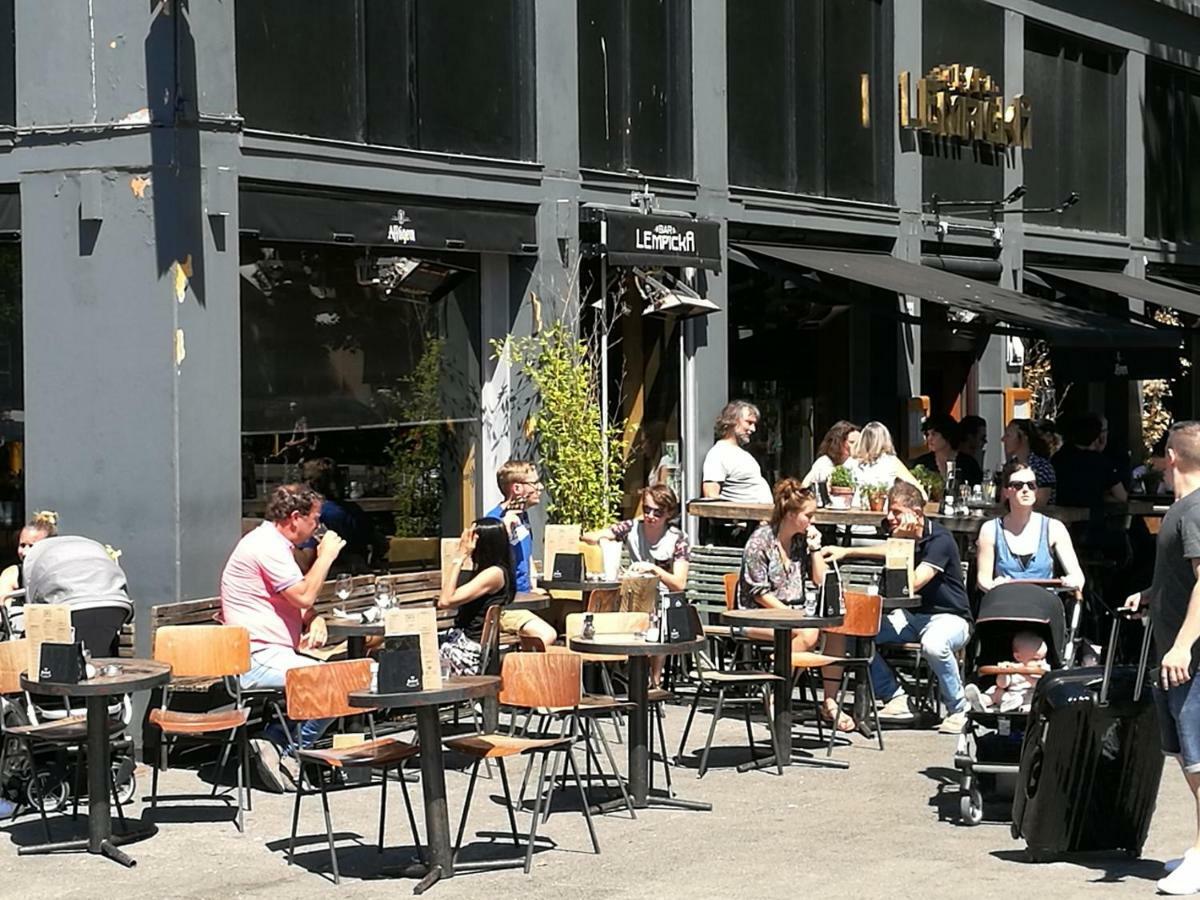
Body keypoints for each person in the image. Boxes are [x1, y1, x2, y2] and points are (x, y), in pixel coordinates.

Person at [220, 484, 346, 792]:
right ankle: (287, 751)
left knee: (347, 676)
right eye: (316, 518)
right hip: (253, 660)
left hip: (269, 654)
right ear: (294, 518)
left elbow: (290, 599)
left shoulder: (274, 545)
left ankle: (274, 742)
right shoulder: (267, 546)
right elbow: (302, 595)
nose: (319, 526)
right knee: (341, 683)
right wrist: (326, 557)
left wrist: (313, 617)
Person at [822, 480, 973, 734]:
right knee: (852, 634)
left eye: (896, 512)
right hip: (910, 617)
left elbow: (911, 584)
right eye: (889, 512)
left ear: (916, 513)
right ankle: (896, 696)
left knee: (934, 645)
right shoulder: (902, 538)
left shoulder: (940, 540)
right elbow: (885, 551)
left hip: (950, 618)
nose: (890, 518)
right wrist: (846, 552)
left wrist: (900, 539)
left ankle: (960, 710)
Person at [1122, 421, 1200, 894]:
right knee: (1189, 761)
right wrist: (1154, 592)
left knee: (1199, 764)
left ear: (1171, 456)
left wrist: (1183, 644)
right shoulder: (1182, 510)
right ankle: (1196, 849)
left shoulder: (1194, 511)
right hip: (1178, 651)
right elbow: (1187, 579)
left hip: (1191, 657)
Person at [737, 479, 854, 731]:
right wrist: (790, 615)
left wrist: (815, 548)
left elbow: (820, 580)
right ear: (790, 514)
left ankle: (830, 702)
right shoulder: (760, 542)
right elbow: (759, 594)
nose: (812, 521)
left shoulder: (801, 541)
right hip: (758, 615)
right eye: (808, 516)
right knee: (809, 633)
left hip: (796, 614)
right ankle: (779, 694)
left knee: (835, 629)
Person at [583, 485, 690, 687]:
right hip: (632, 595)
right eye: (646, 509)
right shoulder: (632, 528)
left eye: (657, 512)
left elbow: (679, 584)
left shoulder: (677, 539)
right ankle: (617, 675)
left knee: (655, 616)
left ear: (668, 513)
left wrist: (653, 569)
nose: (650, 516)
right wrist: (605, 543)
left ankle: (653, 681)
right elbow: (590, 536)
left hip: (663, 600)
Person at [975, 460, 1085, 593]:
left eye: (1031, 485)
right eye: (1018, 485)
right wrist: (994, 586)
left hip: (1043, 606)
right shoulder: (990, 529)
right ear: (1006, 492)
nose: (1025, 490)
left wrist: (1071, 581)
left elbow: (1077, 576)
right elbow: (983, 579)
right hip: (1006, 603)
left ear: (1036, 490)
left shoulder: (1055, 528)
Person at [484, 460, 557, 647]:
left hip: (524, 600)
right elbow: (490, 566)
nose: (540, 487)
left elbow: (527, 555)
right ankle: (518, 672)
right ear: (517, 488)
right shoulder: (494, 521)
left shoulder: (523, 517)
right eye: (534, 483)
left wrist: (532, 587)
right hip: (504, 606)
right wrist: (505, 530)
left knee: (570, 616)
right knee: (546, 635)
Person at [438, 518, 516, 676]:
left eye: (471, 537)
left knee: (414, 654)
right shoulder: (487, 571)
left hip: (468, 651)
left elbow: (445, 601)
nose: (466, 542)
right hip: (462, 643)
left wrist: (460, 557)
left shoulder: (494, 574)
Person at [296, 457, 386, 574]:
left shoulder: (314, 516)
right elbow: (382, 544)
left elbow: (305, 562)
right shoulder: (354, 510)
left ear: (308, 484)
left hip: (328, 580)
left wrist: (283, 542)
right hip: (359, 575)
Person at [701, 400, 772, 504]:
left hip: (759, 518)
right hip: (741, 519)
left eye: (754, 424)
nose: (753, 429)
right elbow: (710, 495)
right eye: (749, 422)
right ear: (732, 420)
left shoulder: (744, 454)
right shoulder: (718, 454)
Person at [1051, 413, 1127, 509]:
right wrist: (1101, 497)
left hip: (1062, 516)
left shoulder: (1058, 458)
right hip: (1092, 518)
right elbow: (1121, 496)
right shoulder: (1101, 462)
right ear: (1097, 437)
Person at [0, 510, 58, 634]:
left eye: (32, 546)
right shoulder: (12, 574)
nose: (25, 552)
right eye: (22, 545)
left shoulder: (58, 573)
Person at [963, 631, 1049, 713]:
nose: (1041, 662)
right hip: (1010, 696)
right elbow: (1002, 684)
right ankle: (981, 701)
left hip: (1028, 698)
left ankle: (1019, 707)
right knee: (996, 690)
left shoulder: (1042, 668)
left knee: (1033, 698)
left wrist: (1026, 674)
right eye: (1035, 659)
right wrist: (1003, 672)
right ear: (1018, 657)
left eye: (1043, 658)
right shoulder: (1012, 667)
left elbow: (1040, 684)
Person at [848, 421, 924, 501]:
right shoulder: (892, 462)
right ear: (886, 439)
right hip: (882, 510)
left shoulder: (851, 463)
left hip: (853, 509)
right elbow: (920, 493)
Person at [910, 413, 983, 486]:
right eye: (927, 434)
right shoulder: (922, 463)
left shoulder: (969, 464)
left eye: (934, 434)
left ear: (946, 434)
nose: (929, 438)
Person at [1001, 419, 1056, 506]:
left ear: (1023, 437)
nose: (1003, 439)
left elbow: (1040, 505)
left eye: (1008, 435)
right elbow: (1003, 501)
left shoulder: (1041, 467)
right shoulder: (1010, 466)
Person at [801, 420, 861, 499]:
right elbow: (804, 488)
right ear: (838, 443)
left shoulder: (860, 465)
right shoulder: (823, 463)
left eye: (859, 443)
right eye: (852, 442)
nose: (858, 447)